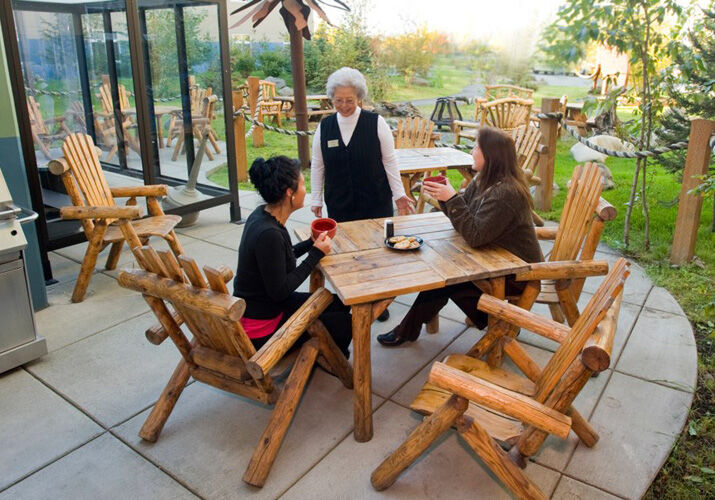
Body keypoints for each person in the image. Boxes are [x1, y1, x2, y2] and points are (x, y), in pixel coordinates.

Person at [377, 127, 543, 347]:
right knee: (444, 273)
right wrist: (447, 197)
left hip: (516, 272)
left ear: (490, 155)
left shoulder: (506, 193)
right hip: (493, 257)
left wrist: (452, 198)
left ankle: (501, 325)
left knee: (448, 281)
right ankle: (410, 328)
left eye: (476, 147)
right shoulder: (484, 180)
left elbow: (474, 235)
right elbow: (466, 217)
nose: (472, 151)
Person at [310, 66, 414, 321]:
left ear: (359, 99)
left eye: (349, 100)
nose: (344, 105)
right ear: (331, 99)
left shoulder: (375, 123)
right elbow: (318, 165)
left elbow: (390, 162)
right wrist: (315, 199)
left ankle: (379, 300)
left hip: (374, 199)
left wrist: (399, 195)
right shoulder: (324, 127)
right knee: (346, 253)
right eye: (338, 100)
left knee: (376, 251)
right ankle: (354, 297)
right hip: (340, 200)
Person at [233, 156, 352, 357]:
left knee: (337, 304)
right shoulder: (269, 233)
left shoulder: (262, 215)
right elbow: (280, 290)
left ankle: (327, 354)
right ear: (290, 193)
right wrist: (315, 253)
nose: (305, 190)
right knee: (343, 323)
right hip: (262, 325)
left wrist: (311, 244)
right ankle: (328, 360)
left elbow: (278, 259)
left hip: (261, 306)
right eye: (303, 185)